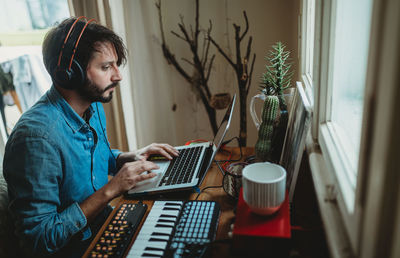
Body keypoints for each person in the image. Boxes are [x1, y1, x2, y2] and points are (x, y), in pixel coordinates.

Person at [2, 17, 178, 257]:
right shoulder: (36, 139)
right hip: (77, 249)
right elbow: (39, 239)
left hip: (106, 225)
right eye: (106, 67)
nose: (118, 76)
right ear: (69, 73)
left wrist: (127, 157)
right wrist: (112, 189)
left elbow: (89, 162)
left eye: (116, 65)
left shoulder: (92, 106)